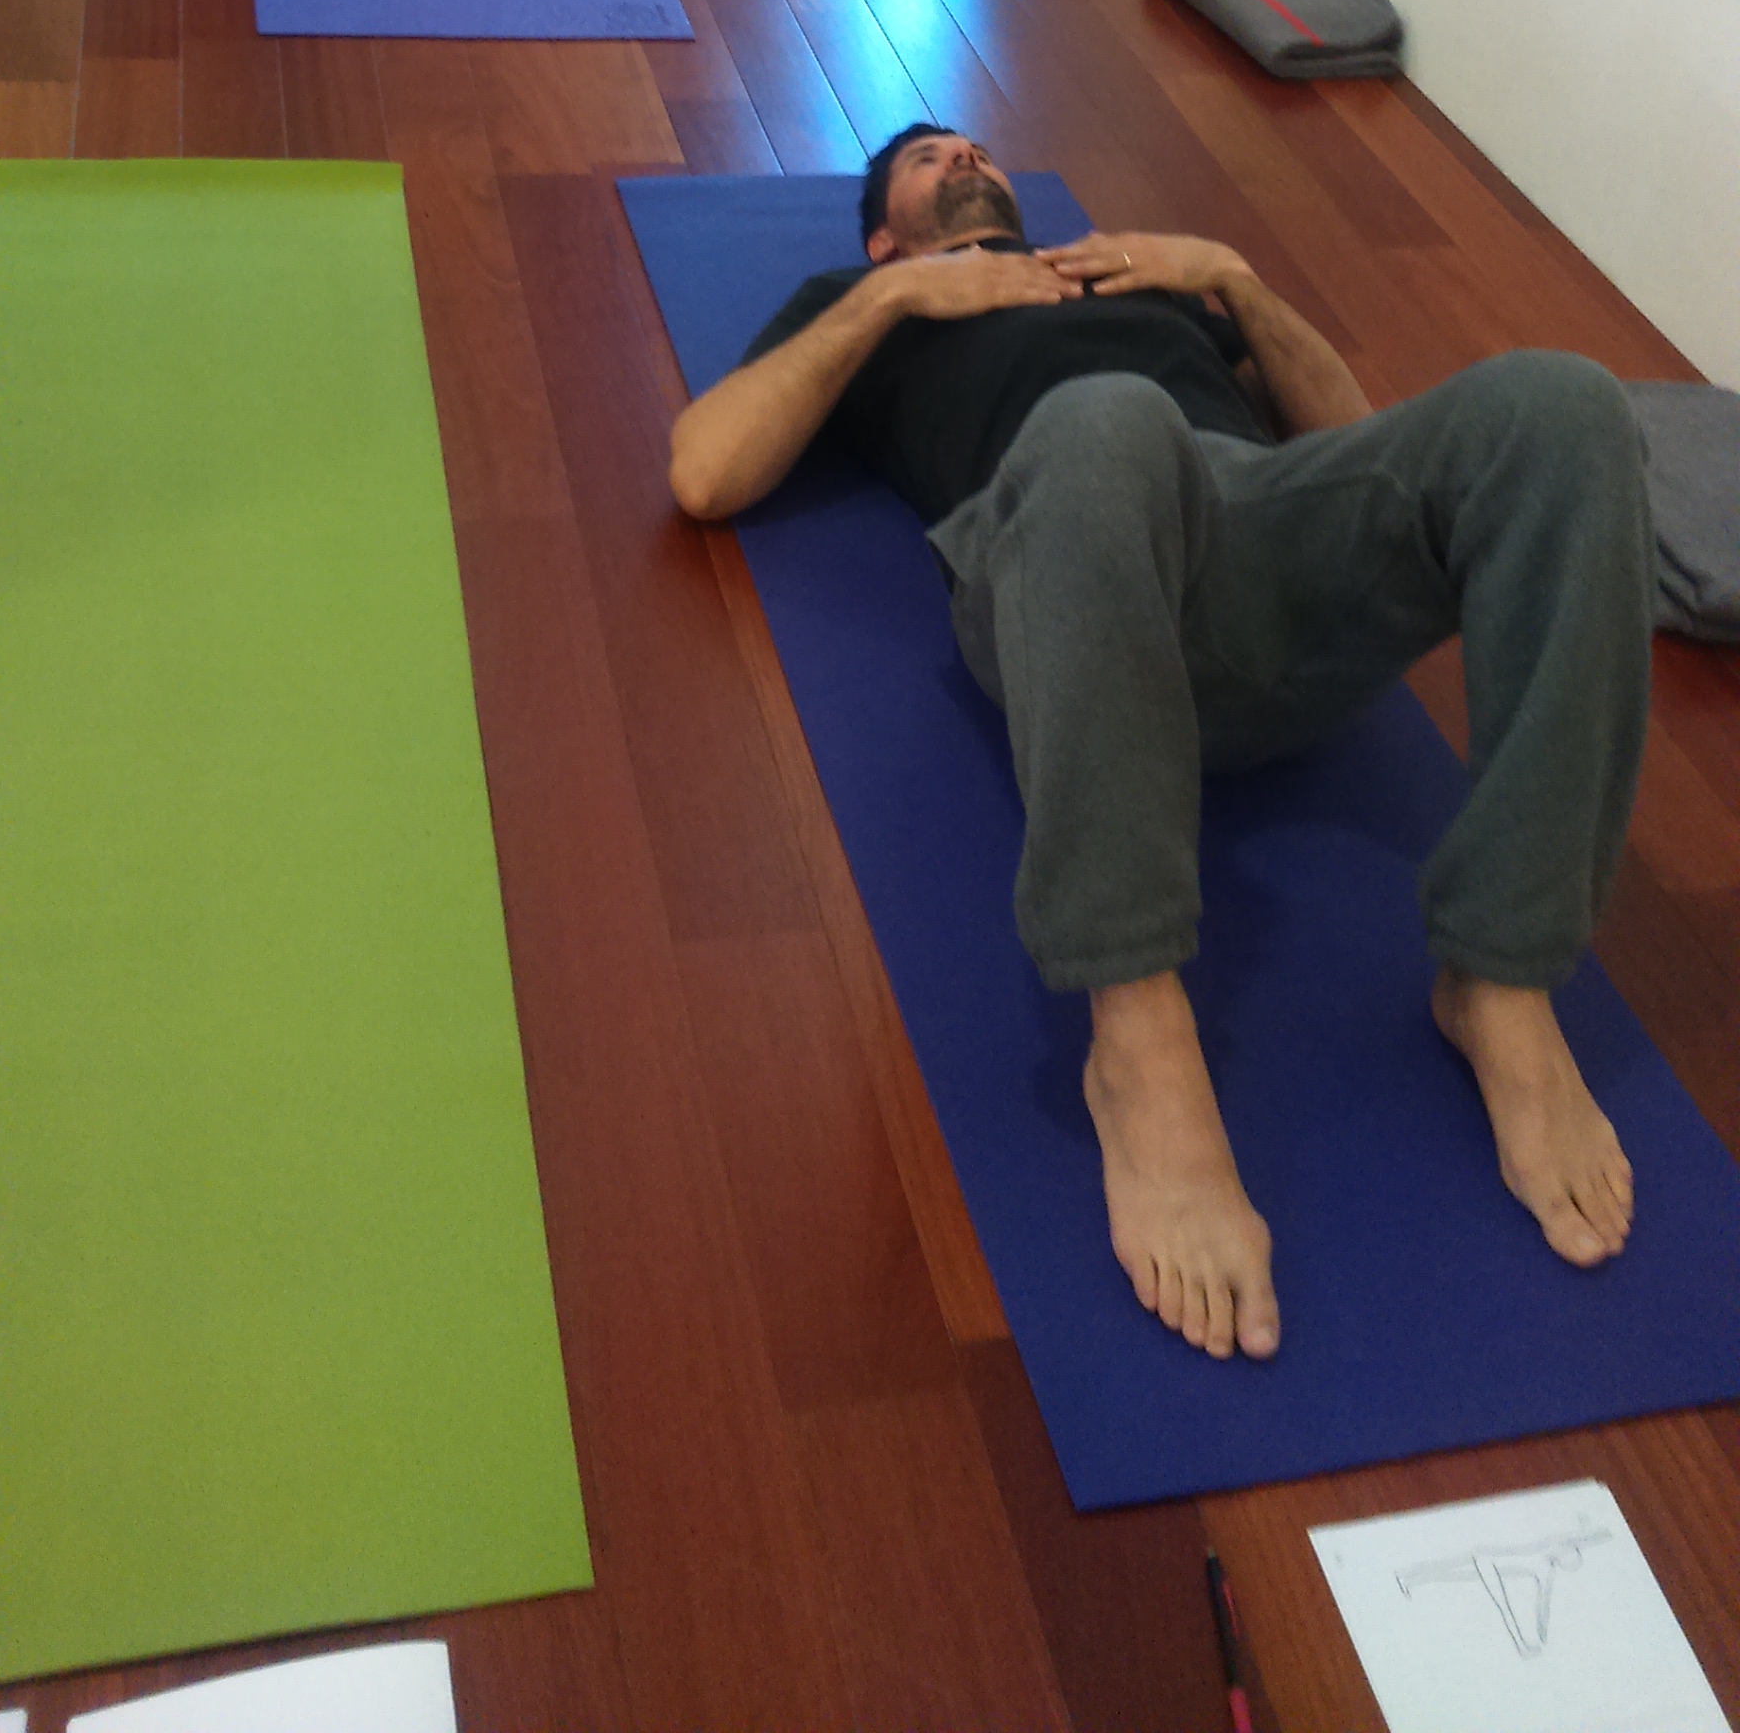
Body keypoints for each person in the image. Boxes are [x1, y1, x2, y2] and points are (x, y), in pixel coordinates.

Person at [667, 123, 1654, 1364]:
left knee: (1565, 403)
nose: (963, 158)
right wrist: (892, 302)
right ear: (880, 233)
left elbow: (1356, 445)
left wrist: (1234, 282)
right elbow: (703, 470)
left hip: (1259, 534)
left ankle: (1501, 979)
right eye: (927, 159)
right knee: (1104, 417)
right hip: (1062, 554)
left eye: (974, 147)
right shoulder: (867, 301)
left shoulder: (1133, 274)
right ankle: (1138, 1042)